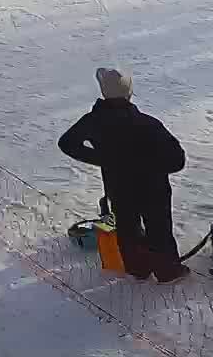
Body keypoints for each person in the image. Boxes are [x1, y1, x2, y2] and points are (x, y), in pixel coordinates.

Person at [57, 68, 190, 283]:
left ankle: (138, 268)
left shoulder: (93, 121)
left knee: (128, 227)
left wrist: (103, 158)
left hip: (118, 186)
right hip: (153, 187)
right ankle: (168, 272)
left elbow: (67, 143)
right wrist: (151, 166)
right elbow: (177, 160)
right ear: (129, 93)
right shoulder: (148, 124)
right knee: (159, 228)